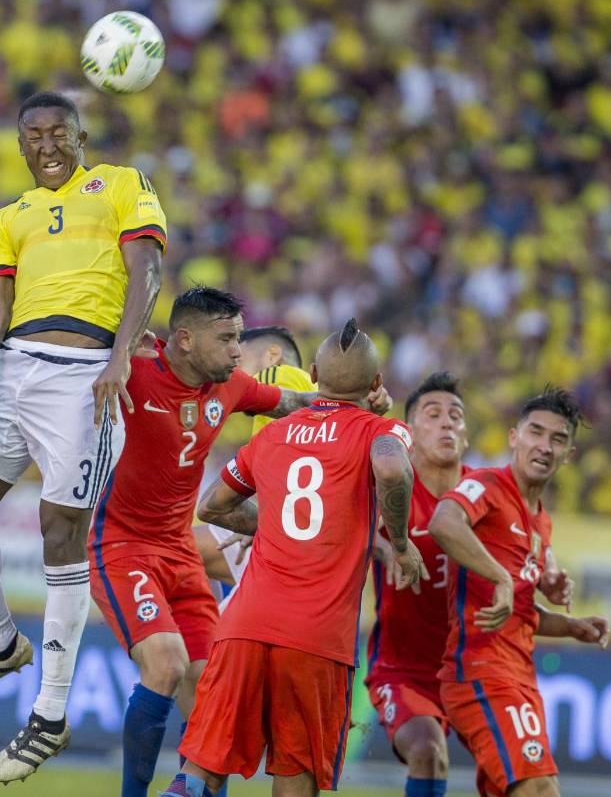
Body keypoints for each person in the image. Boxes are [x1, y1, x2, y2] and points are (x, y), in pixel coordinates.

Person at [0, 91, 166, 781]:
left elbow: (147, 269)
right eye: (35, 135)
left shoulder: (121, 184)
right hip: (11, 370)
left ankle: (50, 714)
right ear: (21, 145)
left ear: (81, 137)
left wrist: (120, 357)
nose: (47, 145)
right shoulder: (7, 218)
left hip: (85, 376)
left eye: (59, 132)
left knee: (60, 533)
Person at [91, 290, 391, 797]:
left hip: (198, 558)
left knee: (209, 703)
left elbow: (300, 406)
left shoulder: (240, 388)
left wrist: (361, 399)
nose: (235, 351)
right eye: (227, 339)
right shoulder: (135, 373)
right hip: (128, 545)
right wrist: (118, 348)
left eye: (239, 341)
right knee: (169, 665)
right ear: (185, 339)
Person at [159, 319, 427, 797]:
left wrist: (272, 524)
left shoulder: (272, 434)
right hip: (316, 638)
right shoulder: (382, 430)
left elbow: (212, 505)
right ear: (376, 383)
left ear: (315, 374)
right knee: (295, 777)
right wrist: (402, 544)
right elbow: (391, 467)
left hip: (245, 626)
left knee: (201, 770)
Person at [429, 388, 610, 797]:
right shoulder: (487, 485)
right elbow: (443, 522)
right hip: (481, 673)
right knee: (539, 789)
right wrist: (502, 577)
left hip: (519, 677)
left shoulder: (541, 523)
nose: (544, 446)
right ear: (514, 437)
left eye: (557, 439)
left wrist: (571, 626)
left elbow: (519, 609)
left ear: (569, 455)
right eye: (536, 432)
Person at [364, 372, 469, 797]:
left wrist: (547, 571)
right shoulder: (391, 489)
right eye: (434, 413)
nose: (447, 422)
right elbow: (350, 525)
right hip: (403, 671)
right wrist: (386, 546)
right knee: (427, 750)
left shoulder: (485, 494)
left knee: (518, 772)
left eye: (455, 415)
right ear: (408, 431)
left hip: (472, 668)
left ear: (466, 433)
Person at [194, 325, 317, 590]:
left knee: (168, 552)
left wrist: (258, 522)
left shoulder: (280, 375)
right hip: (302, 536)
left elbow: (278, 465)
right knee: (188, 560)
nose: (231, 367)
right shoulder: (304, 395)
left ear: (272, 355)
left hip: (290, 541)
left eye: (239, 358)